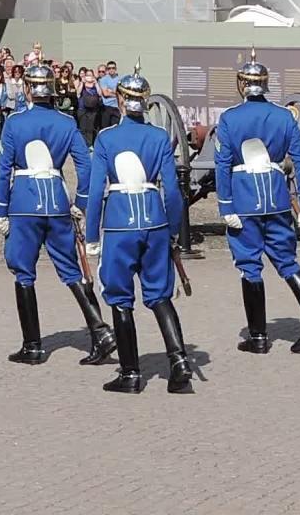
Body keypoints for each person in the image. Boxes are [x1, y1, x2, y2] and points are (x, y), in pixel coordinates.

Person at [0, 63, 116, 368]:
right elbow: (84, 166)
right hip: (58, 202)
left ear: (26, 89)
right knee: (71, 271)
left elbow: (3, 171)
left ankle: (32, 345)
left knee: (23, 272)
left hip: (23, 202)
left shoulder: (15, 122)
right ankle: (99, 331)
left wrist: (0, 210)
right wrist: (80, 201)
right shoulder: (65, 122)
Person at [84, 63, 192, 394]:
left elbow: (94, 191)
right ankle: (179, 361)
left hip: (118, 226)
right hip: (155, 220)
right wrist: (174, 230)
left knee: (119, 298)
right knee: (159, 294)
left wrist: (91, 236)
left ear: (120, 100)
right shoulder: (159, 137)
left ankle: (130, 373)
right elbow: (172, 191)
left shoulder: (107, 138)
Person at [215, 50, 300, 355]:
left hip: (244, 200)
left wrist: (225, 205)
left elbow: (223, 163)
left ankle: (258, 336)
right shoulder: (283, 116)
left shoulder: (229, 118)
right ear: (265, 85)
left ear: (242, 85)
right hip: (277, 198)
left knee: (250, 267)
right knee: (287, 262)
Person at [77, 71, 103, 146]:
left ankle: (89, 144)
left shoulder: (95, 85)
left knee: (90, 128)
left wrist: (96, 83)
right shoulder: (82, 84)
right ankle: (82, 144)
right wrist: (82, 82)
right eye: (87, 75)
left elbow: (100, 94)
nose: (89, 77)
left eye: (90, 75)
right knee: (82, 128)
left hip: (93, 110)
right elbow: (78, 93)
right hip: (83, 109)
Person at [98, 61, 121, 130]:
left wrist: (111, 91)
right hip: (106, 107)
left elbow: (122, 94)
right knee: (106, 129)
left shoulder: (119, 80)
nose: (111, 70)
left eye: (113, 68)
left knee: (116, 128)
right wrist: (116, 93)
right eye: (109, 68)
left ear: (116, 69)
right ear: (107, 70)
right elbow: (105, 93)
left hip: (117, 107)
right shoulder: (103, 80)